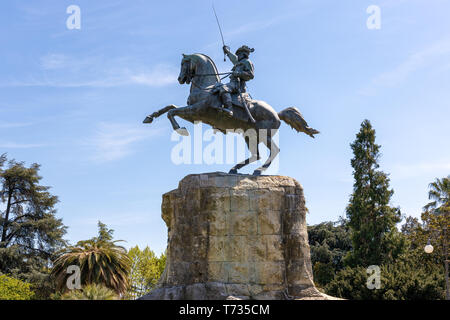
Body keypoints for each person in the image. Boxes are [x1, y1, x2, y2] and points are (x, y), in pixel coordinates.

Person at [214, 45, 255, 117]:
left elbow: (250, 75)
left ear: (243, 54)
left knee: (224, 88)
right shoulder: (238, 62)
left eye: (239, 54)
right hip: (232, 83)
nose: (237, 56)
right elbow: (233, 58)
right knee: (217, 86)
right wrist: (227, 52)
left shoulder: (247, 62)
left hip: (238, 85)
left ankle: (229, 109)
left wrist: (238, 73)